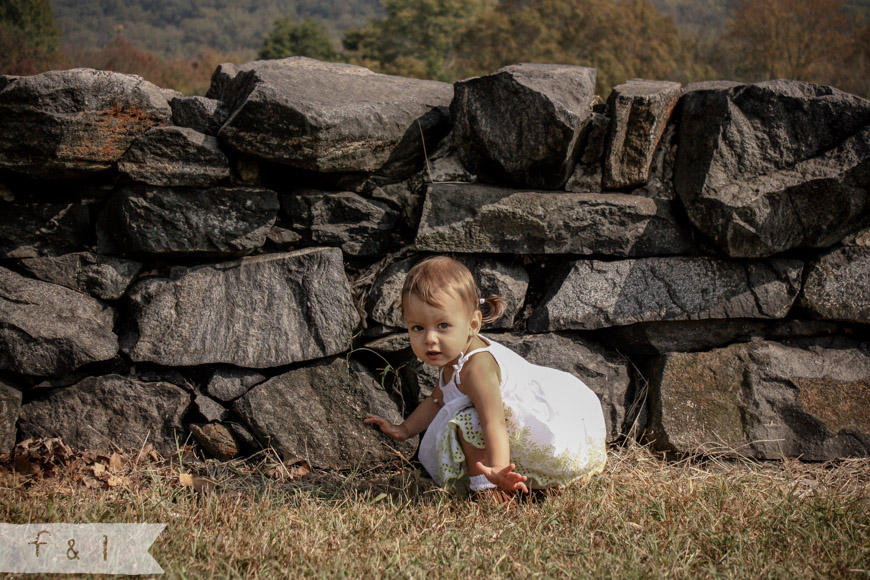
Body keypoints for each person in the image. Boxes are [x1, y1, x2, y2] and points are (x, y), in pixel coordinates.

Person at [364, 256, 607, 503]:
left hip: (550, 431)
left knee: (468, 421)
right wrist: (404, 429)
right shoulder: (453, 358)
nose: (429, 338)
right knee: (467, 418)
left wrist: (498, 470)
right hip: (517, 430)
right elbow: (437, 400)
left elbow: (494, 423)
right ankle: (514, 484)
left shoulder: (476, 368)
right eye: (418, 328)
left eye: (443, 325)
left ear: (473, 324)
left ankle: (490, 493)